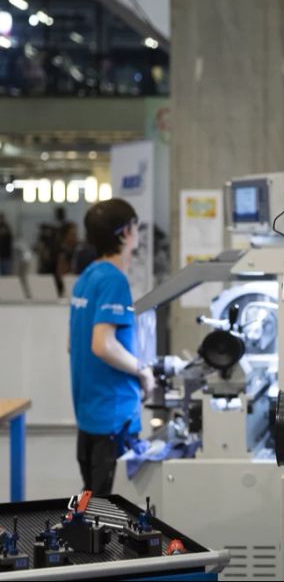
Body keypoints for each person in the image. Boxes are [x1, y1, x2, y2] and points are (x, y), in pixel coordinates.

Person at [69, 198, 155, 496]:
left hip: (89, 416)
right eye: (135, 226)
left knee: (91, 505)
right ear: (126, 232)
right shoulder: (114, 280)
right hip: (114, 418)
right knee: (110, 514)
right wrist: (143, 371)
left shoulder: (86, 277)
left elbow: (72, 344)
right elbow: (102, 345)